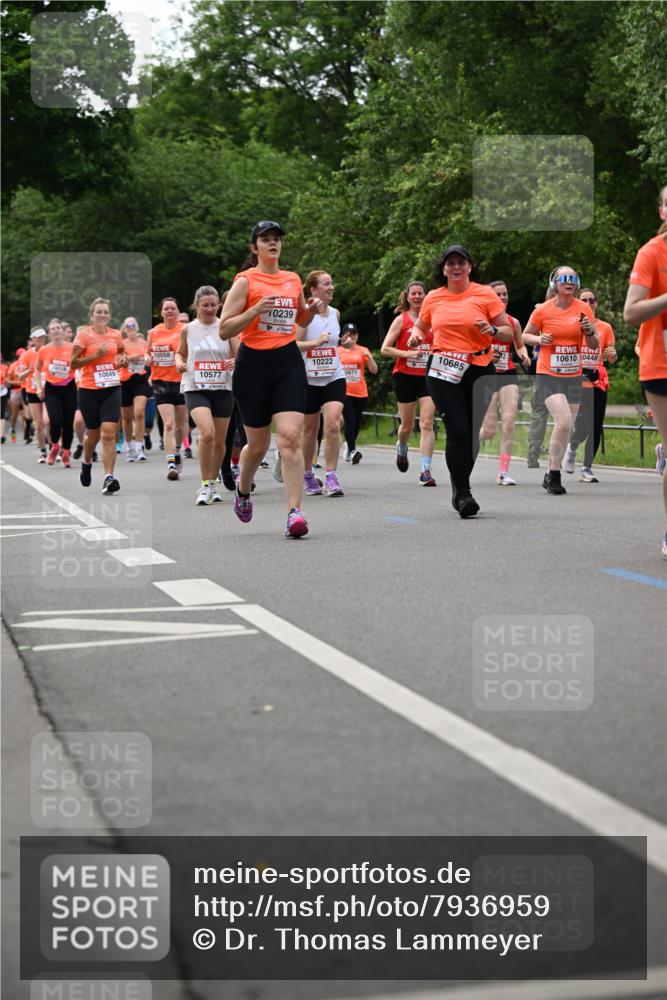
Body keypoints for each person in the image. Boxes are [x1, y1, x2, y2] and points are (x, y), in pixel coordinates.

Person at [219, 220, 326, 538]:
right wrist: (254, 311)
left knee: (291, 437)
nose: (273, 244)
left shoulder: (292, 279)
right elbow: (225, 328)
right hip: (253, 366)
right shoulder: (245, 281)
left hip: (287, 362)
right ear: (255, 248)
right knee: (257, 445)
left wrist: (313, 310)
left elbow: (299, 318)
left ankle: (295, 512)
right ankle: (243, 490)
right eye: (265, 239)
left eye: (276, 239)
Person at [409, 244, 512, 517]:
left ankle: (459, 486)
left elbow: (506, 332)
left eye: (461, 262)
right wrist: (416, 335)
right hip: (443, 368)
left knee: (473, 434)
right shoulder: (433, 297)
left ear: (469, 267)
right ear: (443, 269)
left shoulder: (485, 294)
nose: (456, 267)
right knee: (458, 430)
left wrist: (491, 329)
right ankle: (465, 493)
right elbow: (421, 325)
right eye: (450, 263)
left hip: (479, 367)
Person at [522, 267, 598, 495]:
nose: (569, 282)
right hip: (548, 373)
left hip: (573, 374)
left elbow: (594, 345)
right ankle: (555, 475)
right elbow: (525, 335)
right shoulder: (543, 310)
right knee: (563, 420)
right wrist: (539, 339)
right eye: (564, 278)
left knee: (566, 426)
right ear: (554, 283)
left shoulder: (584, 308)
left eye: (573, 278)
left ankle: (550, 472)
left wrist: (590, 332)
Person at [623, 216, 667, 556]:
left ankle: (663, 452)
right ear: (663, 212)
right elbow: (631, 313)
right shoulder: (652, 253)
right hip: (661, 364)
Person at [175, 286, 237, 505]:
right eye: (205, 305)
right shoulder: (188, 329)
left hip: (222, 387)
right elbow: (180, 352)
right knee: (208, 433)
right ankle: (204, 485)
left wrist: (235, 361)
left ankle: (213, 483)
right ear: (197, 306)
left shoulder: (227, 327)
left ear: (219, 305)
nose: (210, 309)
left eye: (213, 305)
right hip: (195, 386)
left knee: (220, 441)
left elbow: (239, 354)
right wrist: (179, 362)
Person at [380, 281, 438, 485]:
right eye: (413, 294)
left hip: (428, 375)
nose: (417, 297)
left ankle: (425, 471)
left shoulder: (433, 320)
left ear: (426, 295)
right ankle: (402, 447)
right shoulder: (400, 320)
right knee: (406, 426)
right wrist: (408, 353)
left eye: (420, 293)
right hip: (405, 375)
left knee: (427, 422)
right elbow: (384, 349)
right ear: (407, 296)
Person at [295, 270, 346, 497]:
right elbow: (293, 344)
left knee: (333, 423)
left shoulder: (335, 314)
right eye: (326, 284)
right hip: (308, 378)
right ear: (313, 289)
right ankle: (307, 474)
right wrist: (316, 342)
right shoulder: (305, 314)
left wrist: (340, 343)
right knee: (310, 430)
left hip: (334, 374)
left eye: (332, 283)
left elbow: (333, 343)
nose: (331, 287)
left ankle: (331, 476)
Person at [70, 298, 128, 493]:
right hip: (89, 390)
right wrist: (95, 355)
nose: (102, 315)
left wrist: (122, 361)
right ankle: (86, 462)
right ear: (92, 315)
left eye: (105, 312)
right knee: (93, 435)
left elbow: (120, 353)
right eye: (99, 312)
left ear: (109, 315)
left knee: (109, 433)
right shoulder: (83, 336)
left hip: (112, 387)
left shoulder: (116, 334)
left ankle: (108, 477)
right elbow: (73, 363)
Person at [479, 280, 530, 484]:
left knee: (509, 423)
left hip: (508, 374)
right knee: (490, 430)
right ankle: (468, 441)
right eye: (498, 294)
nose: (502, 298)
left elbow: (519, 346)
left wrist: (524, 355)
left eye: (505, 294)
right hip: (486, 375)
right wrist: (485, 355)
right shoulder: (481, 321)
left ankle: (503, 472)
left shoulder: (513, 322)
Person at [563, 288, 616, 482]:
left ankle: (587, 467)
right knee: (584, 424)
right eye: (585, 299)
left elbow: (611, 354)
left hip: (598, 380)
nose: (589, 302)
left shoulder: (605, 327)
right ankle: (572, 447)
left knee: (596, 425)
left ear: (596, 303)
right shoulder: (571, 324)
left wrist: (612, 355)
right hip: (577, 379)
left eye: (592, 299)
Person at [146, 298, 188, 481]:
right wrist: (147, 358)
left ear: (178, 311)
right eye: (166, 308)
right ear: (161, 312)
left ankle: (177, 450)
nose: (170, 311)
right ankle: (171, 462)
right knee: (169, 423)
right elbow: (148, 352)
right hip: (160, 381)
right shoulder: (153, 332)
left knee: (180, 424)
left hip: (181, 380)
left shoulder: (184, 330)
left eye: (173, 308)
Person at [34, 318, 76, 467]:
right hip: (52, 389)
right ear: (49, 333)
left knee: (68, 423)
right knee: (55, 421)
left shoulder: (72, 347)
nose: (56, 330)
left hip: (70, 388)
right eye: (53, 329)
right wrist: (39, 387)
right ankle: (54, 446)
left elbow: (80, 365)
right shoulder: (44, 350)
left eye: (58, 327)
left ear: (63, 331)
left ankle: (65, 453)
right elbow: (37, 370)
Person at [338, 323, 378, 464]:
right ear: (342, 336)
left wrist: (370, 357)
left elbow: (374, 370)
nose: (351, 336)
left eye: (354, 333)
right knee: (350, 420)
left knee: (356, 423)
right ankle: (353, 450)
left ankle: (349, 448)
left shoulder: (363, 350)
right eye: (348, 333)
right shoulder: (337, 351)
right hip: (344, 391)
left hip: (360, 391)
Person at [119, 317, 151, 463]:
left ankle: (139, 447)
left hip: (140, 380)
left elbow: (149, 359)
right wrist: (136, 356)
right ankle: (129, 447)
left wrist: (148, 360)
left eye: (133, 325)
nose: (131, 328)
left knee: (139, 413)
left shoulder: (144, 343)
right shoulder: (122, 344)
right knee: (126, 417)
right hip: (125, 381)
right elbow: (121, 362)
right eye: (128, 326)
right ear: (125, 329)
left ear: (138, 327)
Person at [17, 328, 49, 462]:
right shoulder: (26, 355)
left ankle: (55, 448)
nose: (41, 339)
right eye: (38, 337)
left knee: (49, 421)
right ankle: (43, 451)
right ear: (33, 340)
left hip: (49, 390)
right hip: (32, 391)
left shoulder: (49, 351)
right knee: (39, 423)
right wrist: (30, 370)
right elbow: (20, 376)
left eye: (43, 337)